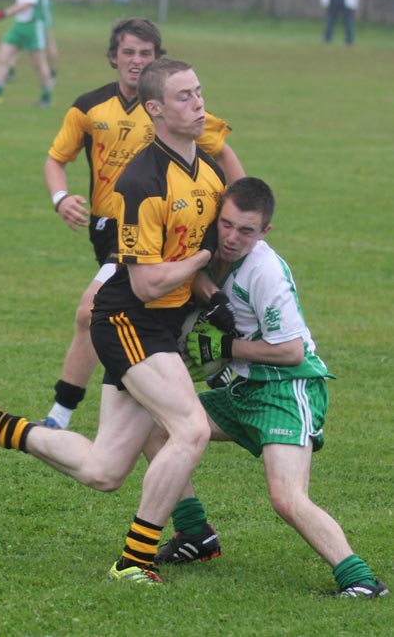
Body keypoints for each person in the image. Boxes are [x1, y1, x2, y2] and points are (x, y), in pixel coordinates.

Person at [0, 58, 229, 585]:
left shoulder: (206, 168)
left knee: (104, 470)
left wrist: (214, 293)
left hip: (165, 327)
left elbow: (223, 204)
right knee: (188, 430)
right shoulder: (143, 179)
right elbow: (145, 285)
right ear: (155, 109)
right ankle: (134, 561)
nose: (199, 104)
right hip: (129, 319)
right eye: (185, 97)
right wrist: (199, 263)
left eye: (199, 92)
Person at [149, 176, 389, 597]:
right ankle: (194, 533)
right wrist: (212, 299)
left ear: (264, 232)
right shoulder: (209, 241)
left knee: (286, 497)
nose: (232, 238)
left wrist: (226, 345)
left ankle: (361, 581)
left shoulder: (265, 272)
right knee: (155, 423)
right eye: (226, 224)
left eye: (246, 231)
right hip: (243, 390)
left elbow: (292, 351)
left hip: (287, 390)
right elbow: (199, 276)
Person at [42, 17, 245, 430]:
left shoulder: (176, 109)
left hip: (150, 233)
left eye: (146, 54)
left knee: (93, 310)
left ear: (157, 59)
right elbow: (54, 159)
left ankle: (60, 414)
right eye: (129, 52)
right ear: (113, 57)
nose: (136, 61)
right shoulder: (89, 107)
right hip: (108, 231)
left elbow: (222, 153)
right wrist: (61, 198)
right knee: (140, 308)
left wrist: (241, 216)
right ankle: (211, 367)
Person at [0, 0, 53, 106]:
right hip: (19, 25)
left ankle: (46, 97)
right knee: (2, 57)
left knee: (39, 64)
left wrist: (3, 13)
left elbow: (27, 3)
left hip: (34, 26)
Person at [7, 0, 58, 85]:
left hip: (40, 10)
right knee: (17, 44)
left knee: (48, 41)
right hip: (27, 12)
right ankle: (9, 69)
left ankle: (52, 72)